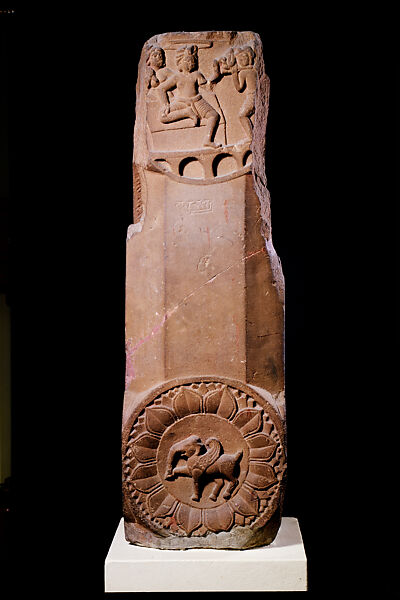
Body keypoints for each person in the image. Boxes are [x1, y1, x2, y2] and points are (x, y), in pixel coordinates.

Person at [157, 45, 221, 148]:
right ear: (180, 63)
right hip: (181, 103)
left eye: (193, 61)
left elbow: (207, 88)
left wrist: (215, 75)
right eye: (187, 61)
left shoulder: (197, 75)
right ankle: (186, 113)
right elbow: (161, 89)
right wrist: (165, 105)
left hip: (197, 101)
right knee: (162, 117)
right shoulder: (177, 77)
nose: (191, 63)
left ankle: (207, 140)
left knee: (214, 115)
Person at [231, 46, 257, 141]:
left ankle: (251, 137)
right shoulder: (254, 70)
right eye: (240, 58)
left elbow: (239, 88)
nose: (242, 60)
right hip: (256, 96)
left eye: (244, 57)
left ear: (249, 58)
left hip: (252, 96)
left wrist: (234, 75)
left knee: (242, 115)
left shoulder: (244, 73)